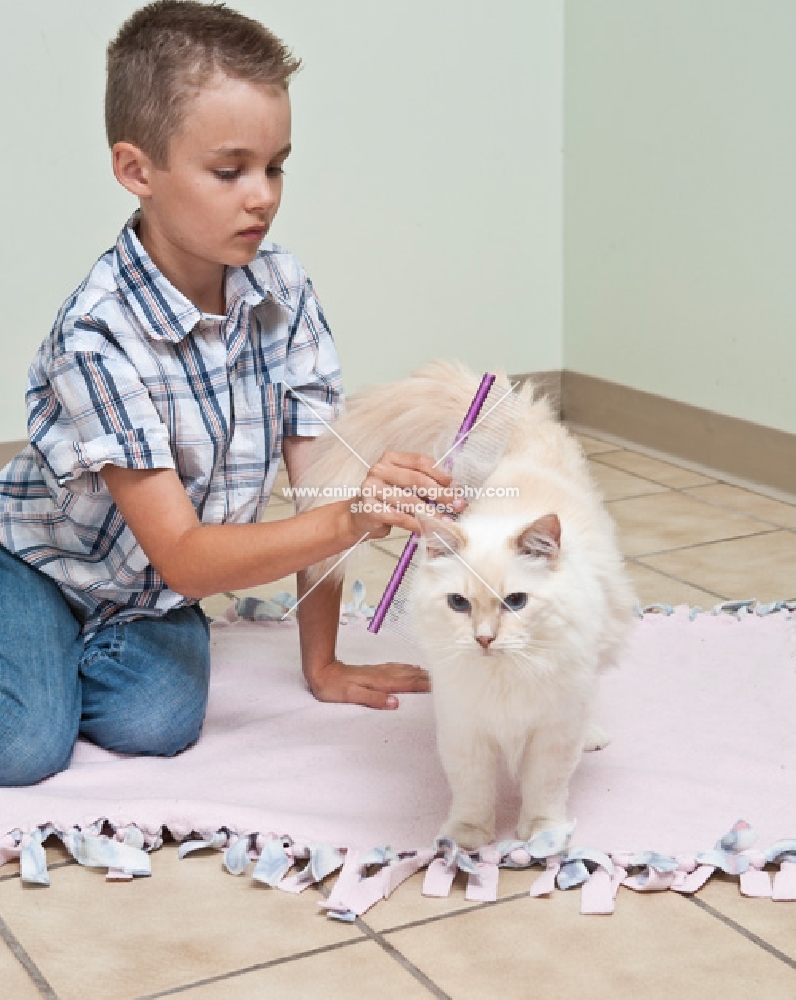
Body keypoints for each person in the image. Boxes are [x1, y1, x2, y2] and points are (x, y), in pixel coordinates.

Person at [0, 0, 451, 787]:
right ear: (138, 170)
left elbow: (322, 489)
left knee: (158, 724)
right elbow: (189, 560)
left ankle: (57, 654)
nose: (263, 196)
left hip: (145, 594)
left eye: (276, 166)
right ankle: (27, 628)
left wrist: (324, 663)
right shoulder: (96, 337)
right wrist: (349, 517)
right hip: (45, 560)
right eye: (230, 170)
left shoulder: (285, 291)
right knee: (26, 748)